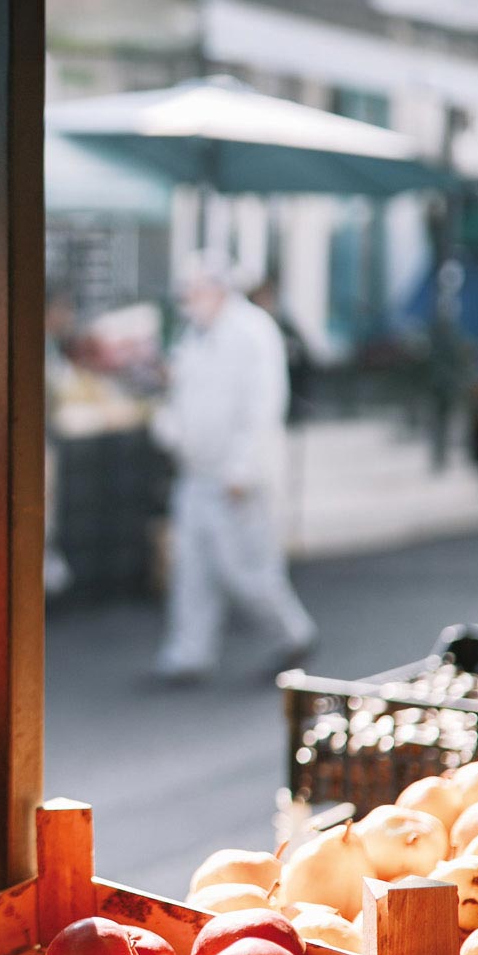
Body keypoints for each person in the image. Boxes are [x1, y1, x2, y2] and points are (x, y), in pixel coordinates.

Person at [152, 253, 317, 683]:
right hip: (196, 472)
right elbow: (183, 395)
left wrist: (243, 468)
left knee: (247, 569)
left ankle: (292, 633)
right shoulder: (195, 333)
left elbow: (262, 405)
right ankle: (188, 654)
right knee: (191, 569)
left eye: (195, 289)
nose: (189, 299)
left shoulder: (251, 332)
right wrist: (171, 431)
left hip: (236, 476)